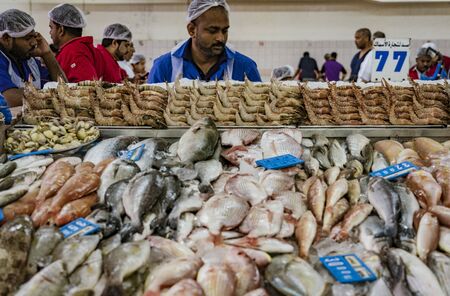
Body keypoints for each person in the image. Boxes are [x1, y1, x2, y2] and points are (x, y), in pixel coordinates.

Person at [148, 0, 261, 83]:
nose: (220, 38)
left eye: (224, 30)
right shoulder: (164, 67)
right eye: (213, 31)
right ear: (192, 30)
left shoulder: (245, 67)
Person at [0, 9, 67, 107]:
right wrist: (51, 95)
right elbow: (10, 99)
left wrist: (47, 54)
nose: (34, 43)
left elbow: (64, 87)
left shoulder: (29, 60)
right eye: (27, 38)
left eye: (34, 37)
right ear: (6, 38)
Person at [48, 3, 104, 83]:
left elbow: (87, 88)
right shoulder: (85, 48)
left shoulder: (73, 52)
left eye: (51, 28)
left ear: (61, 30)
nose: (50, 32)